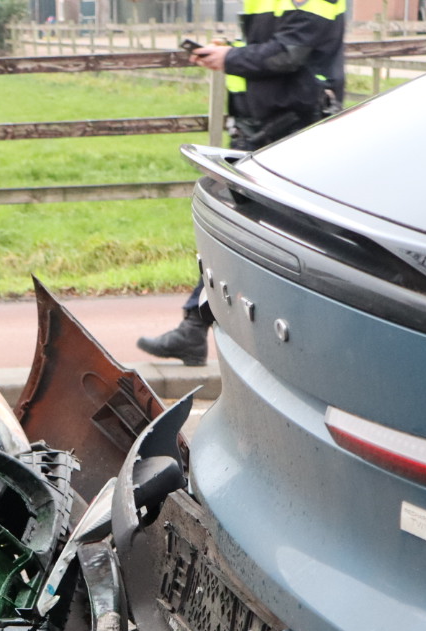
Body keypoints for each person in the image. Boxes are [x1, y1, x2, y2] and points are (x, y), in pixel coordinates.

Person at [137, 0, 346, 366]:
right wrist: (230, 52)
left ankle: (304, 346)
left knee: (281, 239)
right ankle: (199, 327)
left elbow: (289, 54)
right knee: (240, 231)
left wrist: (230, 57)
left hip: (294, 131)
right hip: (262, 131)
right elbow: (268, 47)